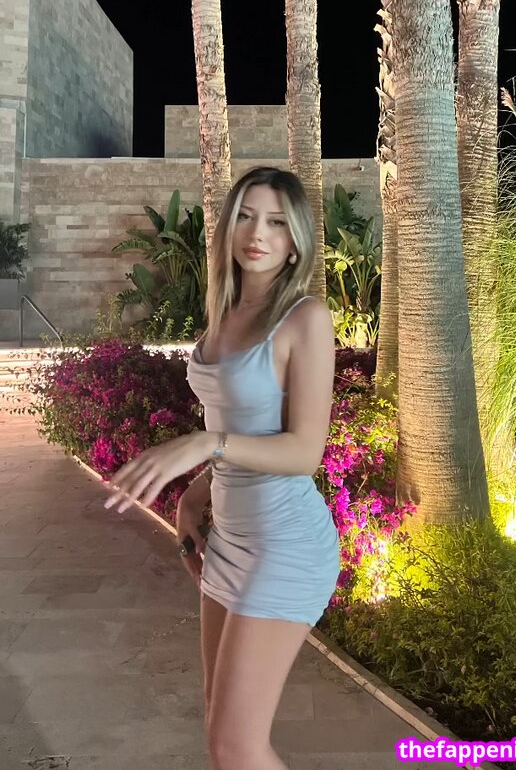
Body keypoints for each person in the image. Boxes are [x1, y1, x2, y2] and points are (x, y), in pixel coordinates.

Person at [105, 165, 341, 770]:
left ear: (295, 242)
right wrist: (195, 495)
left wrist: (206, 444)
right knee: (221, 736)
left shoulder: (305, 318)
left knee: (237, 746)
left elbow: (303, 451)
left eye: (276, 223)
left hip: (285, 544)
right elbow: (244, 425)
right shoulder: (226, 311)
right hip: (231, 540)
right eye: (246, 216)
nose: (257, 233)